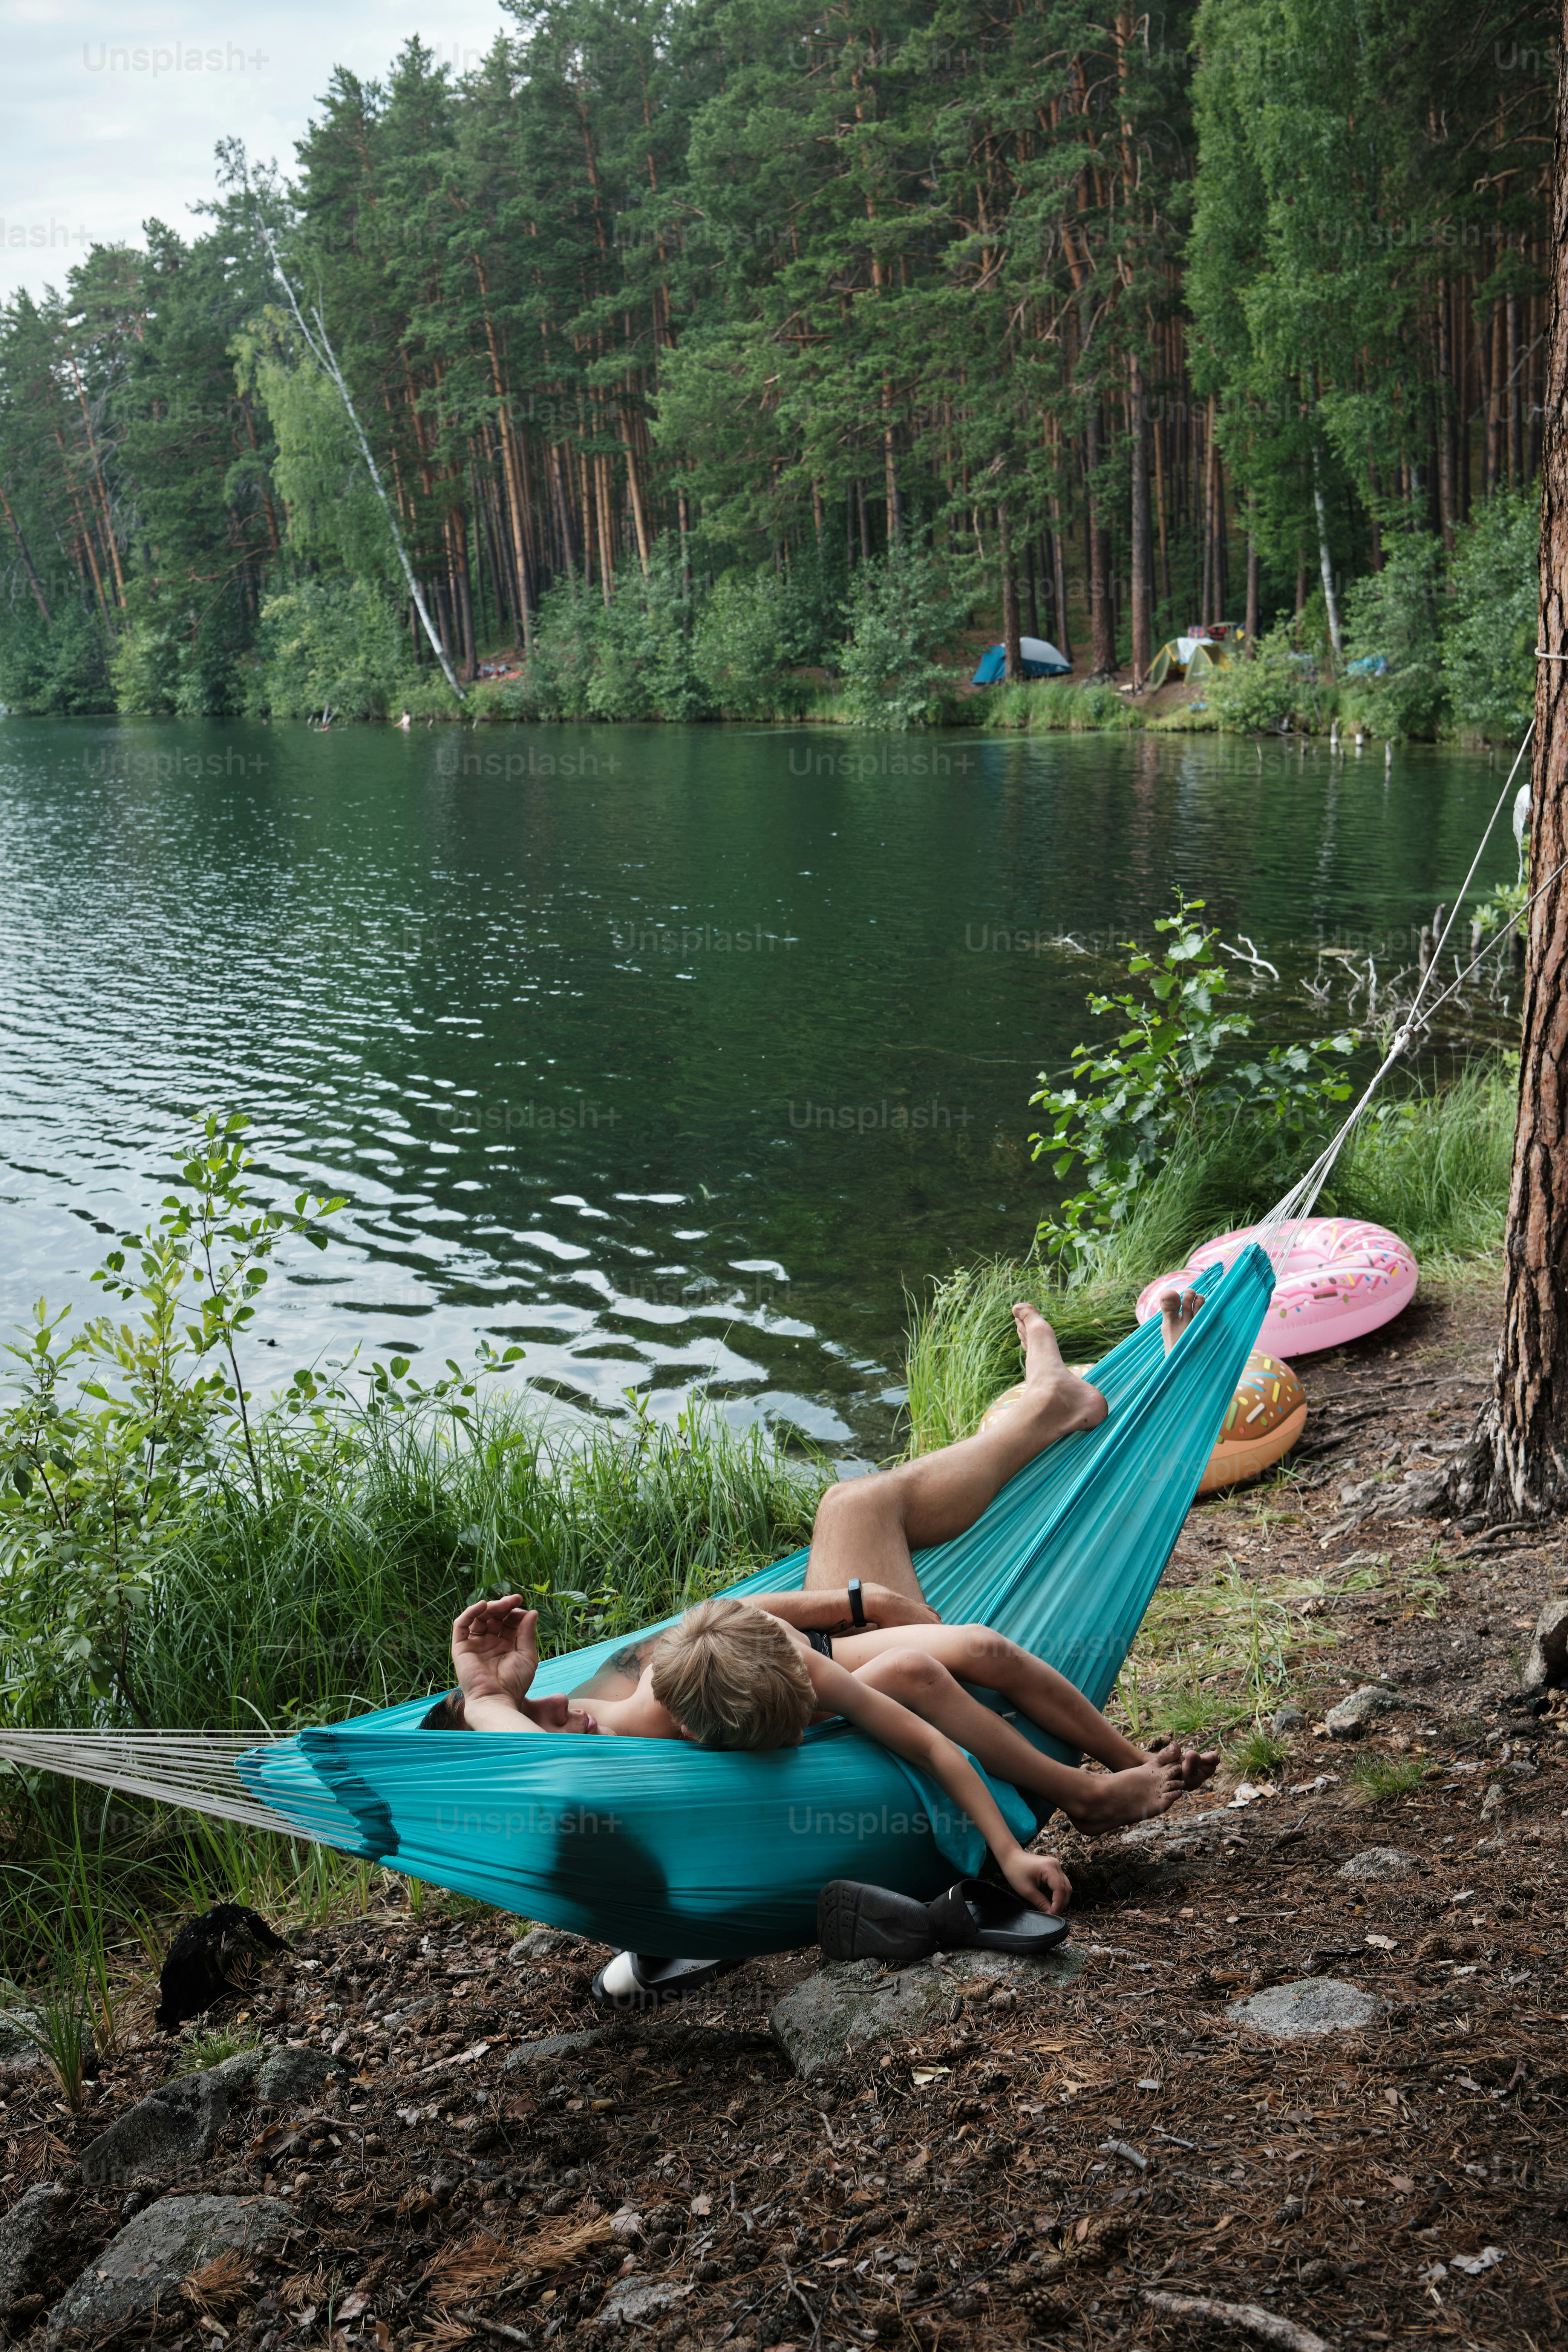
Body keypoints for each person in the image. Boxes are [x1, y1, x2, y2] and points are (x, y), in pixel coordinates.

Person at [428, 1292, 1216, 1917]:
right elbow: (516, 1755)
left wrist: (850, 1598)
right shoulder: (588, 1768)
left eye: (548, 1702)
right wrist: (490, 1695)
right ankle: (1049, 1406)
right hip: (783, 1676)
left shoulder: (665, 1671)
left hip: (777, 1650)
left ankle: (1052, 1404)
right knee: (928, 1650)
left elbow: (713, 1615)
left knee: (852, 1507)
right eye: (549, 1714)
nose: (563, 1699)